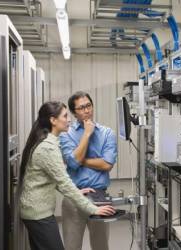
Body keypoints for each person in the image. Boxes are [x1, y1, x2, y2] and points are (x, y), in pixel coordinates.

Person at [19, 101, 115, 250]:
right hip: (38, 214)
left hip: (36, 212)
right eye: (65, 116)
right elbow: (64, 182)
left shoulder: (50, 142)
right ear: (53, 120)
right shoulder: (48, 148)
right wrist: (93, 209)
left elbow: (54, 178)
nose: (69, 119)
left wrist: (78, 191)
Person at [60, 91, 117, 250]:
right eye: (81, 108)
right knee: (72, 246)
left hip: (100, 197)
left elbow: (107, 164)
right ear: (73, 112)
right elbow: (72, 162)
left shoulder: (107, 133)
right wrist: (86, 133)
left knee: (101, 246)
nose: (86, 111)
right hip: (74, 196)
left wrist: (79, 160)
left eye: (88, 106)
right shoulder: (66, 133)